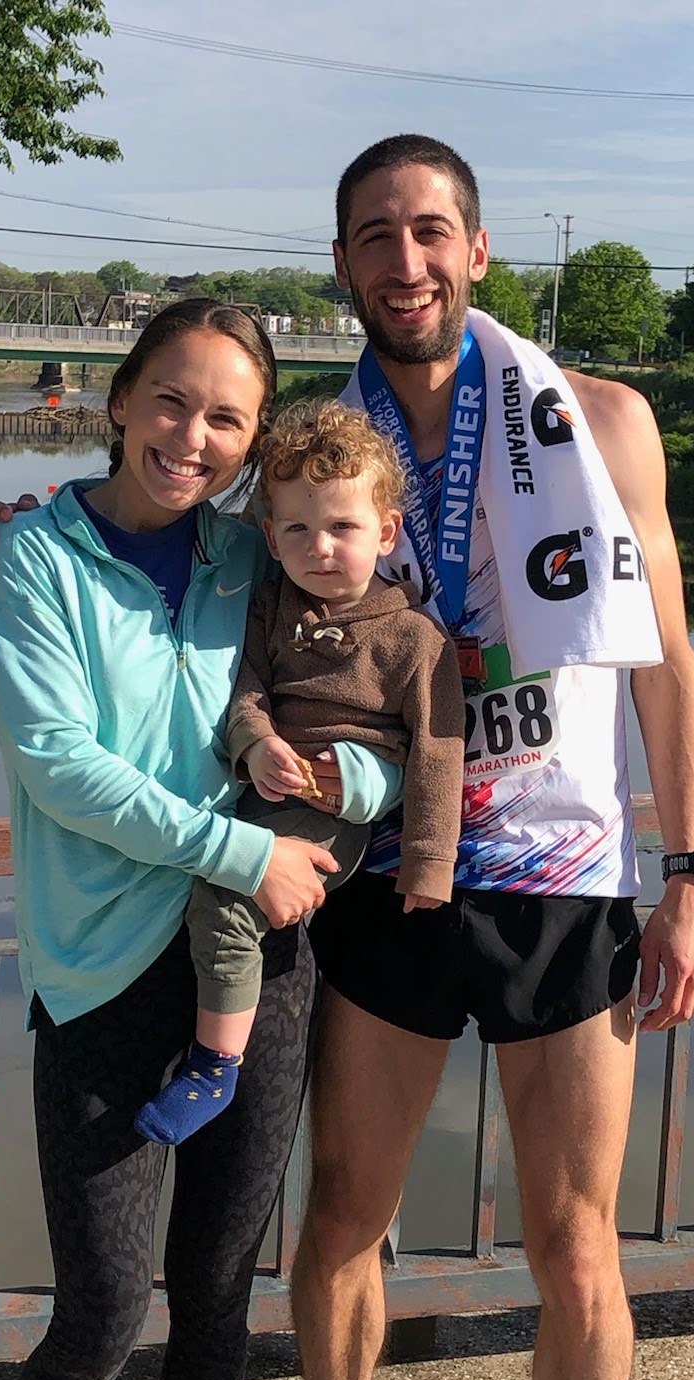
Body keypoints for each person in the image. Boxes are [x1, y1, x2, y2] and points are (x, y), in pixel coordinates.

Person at [0, 136, 694, 1380]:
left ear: (479, 250)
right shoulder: (313, 451)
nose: (406, 260)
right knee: (344, 1214)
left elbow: (671, 665)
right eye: (375, 235)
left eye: (431, 231)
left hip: (559, 867)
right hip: (373, 871)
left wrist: (690, 876)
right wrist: (30, 515)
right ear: (343, 265)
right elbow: (175, 479)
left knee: (575, 1243)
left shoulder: (604, 423)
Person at [0, 298, 401, 1380]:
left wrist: (361, 796)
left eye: (226, 417)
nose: (192, 436)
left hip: (262, 968)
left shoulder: (251, 550)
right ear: (118, 398)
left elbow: (373, 695)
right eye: (171, 401)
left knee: (216, 1290)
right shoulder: (34, 558)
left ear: (254, 439)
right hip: (103, 964)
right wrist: (242, 854)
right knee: (102, 1300)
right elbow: (61, 769)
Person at [134, 397, 464, 1147]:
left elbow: (439, 749)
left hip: (333, 813)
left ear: (385, 532)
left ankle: (215, 1067)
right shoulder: (273, 607)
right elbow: (247, 686)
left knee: (226, 901)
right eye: (298, 530)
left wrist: (428, 864)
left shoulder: (415, 640)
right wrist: (253, 743)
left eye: (343, 528)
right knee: (196, 883)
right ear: (271, 538)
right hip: (266, 787)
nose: (321, 547)